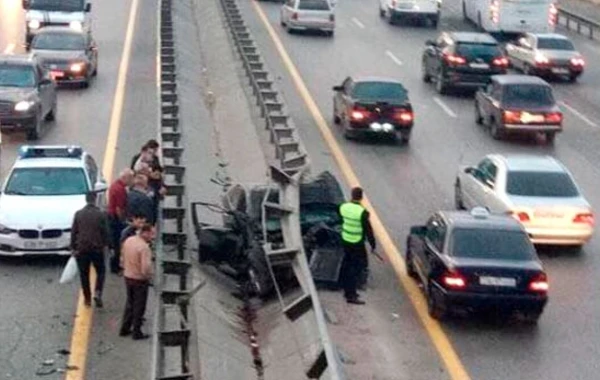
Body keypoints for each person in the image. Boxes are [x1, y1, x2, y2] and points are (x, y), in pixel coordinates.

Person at [70, 191, 111, 308]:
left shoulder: (78, 214)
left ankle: (87, 298)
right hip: (97, 248)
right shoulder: (101, 214)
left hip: (82, 248)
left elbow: (74, 232)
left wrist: (73, 247)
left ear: (86, 199)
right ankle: (98, 292)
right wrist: (109, 245)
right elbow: (106, 232)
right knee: (101, 271)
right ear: (95, 199)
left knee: (84, 274)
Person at [338, 187, 376, 305]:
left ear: (352, 195)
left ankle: (346, 290)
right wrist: (373, 245)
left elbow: (341, 220)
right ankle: (351, 295)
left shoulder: (343, 207)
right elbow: (368, 231)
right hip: (356, 242)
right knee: (354, 268)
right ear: (361, 197)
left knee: (346, 265)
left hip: (345, 240)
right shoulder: (362, 213)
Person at [119, 224, 155, 340]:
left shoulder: (129, 240)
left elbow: (122, 257)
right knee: (139, 306)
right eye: (151, 234)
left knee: (130, 303)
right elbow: (145, 268)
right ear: (145, 232)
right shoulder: (144, 247)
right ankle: (137, 332)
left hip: (127, 276)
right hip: (139, 280)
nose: (152, 237)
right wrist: (149, 277)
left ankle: (124, 328)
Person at [108, 168, 134, 274]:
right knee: (118, 243)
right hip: (115, 219)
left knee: (115, 243)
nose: (131, 181)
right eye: (130, 178)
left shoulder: (115, 185)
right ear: (125, 178)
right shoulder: (120, 190)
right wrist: (123, 221)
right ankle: (115, 267)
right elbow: (119, 208)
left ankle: (115, 265)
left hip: (111, 217)